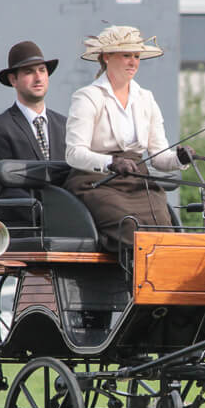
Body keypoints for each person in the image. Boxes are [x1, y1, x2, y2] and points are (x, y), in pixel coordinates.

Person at [63, 25, 194, 251]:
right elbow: (74, 153)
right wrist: (111, 162)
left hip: (137, 180)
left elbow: (159, 157)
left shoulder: (146, 98)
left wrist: (179, 159)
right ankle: (132, 270)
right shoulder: (87, 97)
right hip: (96, 182)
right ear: (106, 57)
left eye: (137, 56)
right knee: (130, 227)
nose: (133, 62)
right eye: (126, 55)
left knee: (164, 229)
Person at [0, 41, 67, 202]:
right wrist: (43, 212)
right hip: (26, 216)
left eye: (42, 70)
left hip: (70, 214)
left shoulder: (65, 126)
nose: (38, 78)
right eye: (29, 72)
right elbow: (6, 189)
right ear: (13, 80)